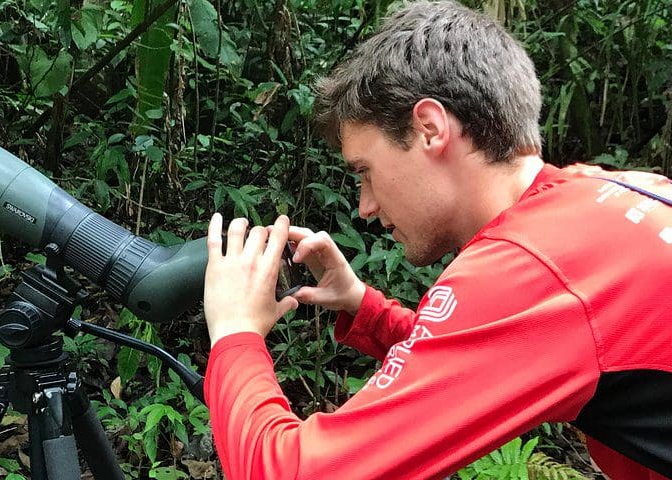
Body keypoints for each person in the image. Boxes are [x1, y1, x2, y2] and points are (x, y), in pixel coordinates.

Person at [202, 1, 672, 479]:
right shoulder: (610, 192)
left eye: (365, 171)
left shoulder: (532, 267)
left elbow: (291, 474)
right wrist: (363, 307)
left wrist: (235, 331)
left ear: (429, 128)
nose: (365, 206)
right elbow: (489, 353)